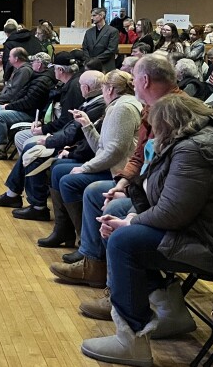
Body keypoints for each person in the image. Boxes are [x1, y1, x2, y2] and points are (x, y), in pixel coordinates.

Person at [79, 94, 213, 367]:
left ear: (168, 124)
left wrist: (130, 223)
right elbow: (167, 199)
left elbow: (172, 212)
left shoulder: (193, 151)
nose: (151, 133)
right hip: (212, 229)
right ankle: (171, 312)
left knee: (124, 241)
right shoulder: (202, 137)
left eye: (154, 127)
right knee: (123, 217)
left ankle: (131, 340)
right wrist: (132, 211)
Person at [48, 54, 183, 292]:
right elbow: (139, 155)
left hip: (158, 195)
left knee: (91, 192)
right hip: (140, 183)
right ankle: (92, 260)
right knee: (87, 187)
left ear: (144, 80)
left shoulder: (167, 112)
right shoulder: (150, 108)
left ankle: (112, 283)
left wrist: (129, 199)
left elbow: (118, 153)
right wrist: (122, 184)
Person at [36, 70, 141, 251]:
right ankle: (64, 231)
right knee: (58, 168)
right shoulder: (118, 105)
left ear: (109, 89)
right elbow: (102, 146)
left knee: (68, 180)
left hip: (118, 171)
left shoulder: (122, 108)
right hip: (113, 166)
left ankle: (85, 244)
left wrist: (85, 167)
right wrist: (87, 125)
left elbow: (114, 152)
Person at [0, 70, 105, 218]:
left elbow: (73, 132)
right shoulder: (92, 102)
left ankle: (37, 206)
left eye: (80, 85)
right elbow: (71, 128)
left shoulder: (97, 106)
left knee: (34, 151)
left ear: (86, 88)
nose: (78, 87)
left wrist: (49, 139)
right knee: (31, 147)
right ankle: (15, 195)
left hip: (78, 149)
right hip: (72, 143)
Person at [0, 52, 56, 161]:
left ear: (39, 64)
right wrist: (9, 104)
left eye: (33, 62)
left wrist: (9, 106)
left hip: (30, 114)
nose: (31, 64)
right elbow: (21, 94)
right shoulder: (37, 76)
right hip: (24, 109)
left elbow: (28, 102)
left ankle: (1, 148)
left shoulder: (42, 81)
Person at [82, 7, 119, 73]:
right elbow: (85, 48)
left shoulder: (113, 31)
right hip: (90, 67)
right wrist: (89, 61)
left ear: (101, 15)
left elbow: (111, 50)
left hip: (106, 66)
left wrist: (95, 61)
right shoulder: (89, 32)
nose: (91, 18)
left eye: (94, 15)